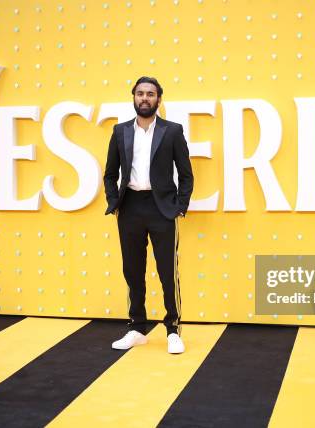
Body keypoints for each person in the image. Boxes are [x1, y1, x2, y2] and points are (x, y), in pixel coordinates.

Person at [103, 76, 194, 354]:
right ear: (133, 97)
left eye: (150, 94)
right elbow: (109, 173)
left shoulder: (172, 131)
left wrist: (179, 205)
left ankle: (173, 330)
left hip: (161, 208)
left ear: (158, 99)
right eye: (140, 93)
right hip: (130, 207)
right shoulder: (120, 132)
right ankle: (136, 328)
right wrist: (114, 201)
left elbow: (186, 174)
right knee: (132, 270)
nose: (145, 98)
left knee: (167, 271)